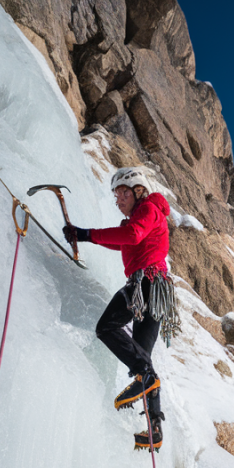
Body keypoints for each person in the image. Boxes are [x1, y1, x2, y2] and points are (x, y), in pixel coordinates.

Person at [63, 167, 171, 450]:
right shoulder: (140, 219)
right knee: (142, 357)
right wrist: (85, 237)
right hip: (155, 290)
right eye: (115, 194)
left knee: (107, 327)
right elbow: (125, 240)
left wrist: (85, 233)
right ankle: (154, 427)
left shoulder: (149, 208)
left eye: (122, 192)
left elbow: (133, 236)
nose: (117, 199)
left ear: (138, 190)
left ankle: (145, 378)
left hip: (144, 284)